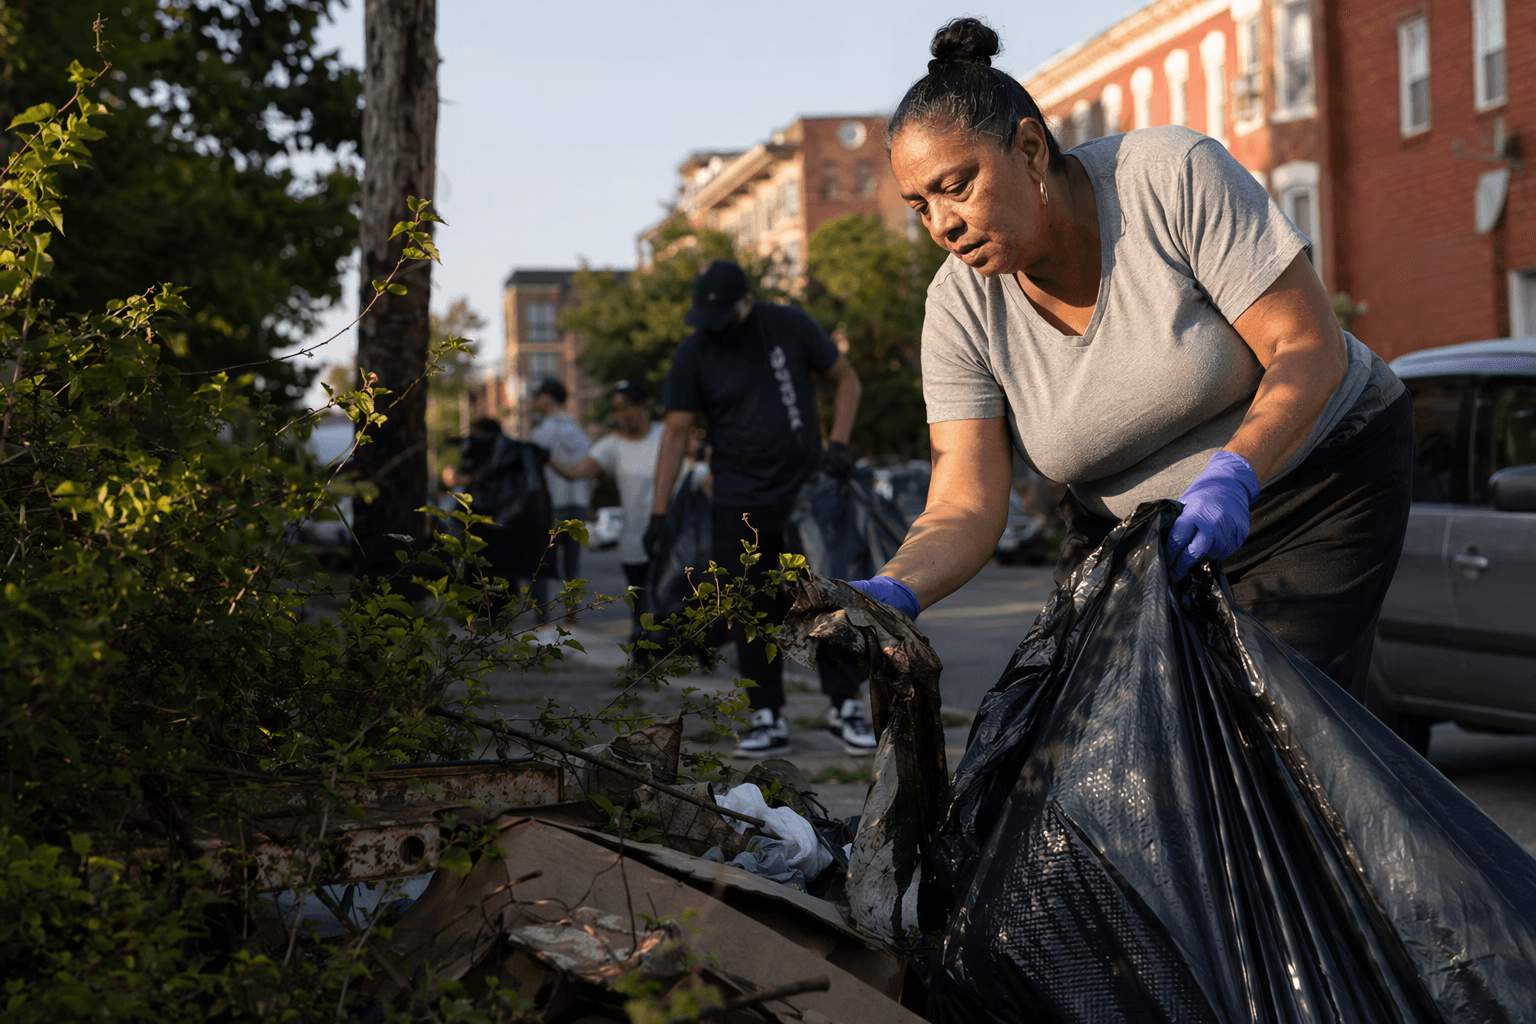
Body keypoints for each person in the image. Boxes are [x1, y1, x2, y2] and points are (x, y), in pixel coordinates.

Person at [848, 18, 1412, 701]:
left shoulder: (1171, 178)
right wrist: (894, 588)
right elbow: (964, 499)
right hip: (1138, 537)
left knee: (1270, 729)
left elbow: (1306, 346)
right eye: (920, 205)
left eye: (956, 185)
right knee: (1081, 744)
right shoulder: (959, 307)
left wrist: (1233, 475)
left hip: (1318, 482)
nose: (942, 224)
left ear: (1029, 150)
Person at [646, 259, 878, 757]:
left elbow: (847, 380)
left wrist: (838, 444)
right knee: (749, 609)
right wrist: (659, 514)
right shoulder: (695, 351)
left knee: (827, 599)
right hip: (737, 501)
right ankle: (766, 714)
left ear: (745, 301)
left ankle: (844, 706)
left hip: (803, 494)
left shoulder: (787, 325)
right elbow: (674, 432)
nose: (714, 327)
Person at [546, 379, 662, 650]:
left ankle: (702, 655)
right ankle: (642, 659)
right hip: (635, 541)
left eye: (626, 408)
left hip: (669, 535)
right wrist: (546, 458)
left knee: (675, 599)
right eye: (615, 410)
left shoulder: (665, 435)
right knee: (641, 605)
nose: (620, 416)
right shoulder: (611, 445)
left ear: (643, 406)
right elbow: (576, 472)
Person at [528, 377, 591, 623]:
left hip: (552, 505)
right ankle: (571, 614)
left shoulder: (542, 432)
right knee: (572, 566)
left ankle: (541, 617)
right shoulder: (578, 431)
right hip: (579, 504)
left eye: (538, 396)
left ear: (547, 399)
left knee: (541, 562)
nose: (535, 401)